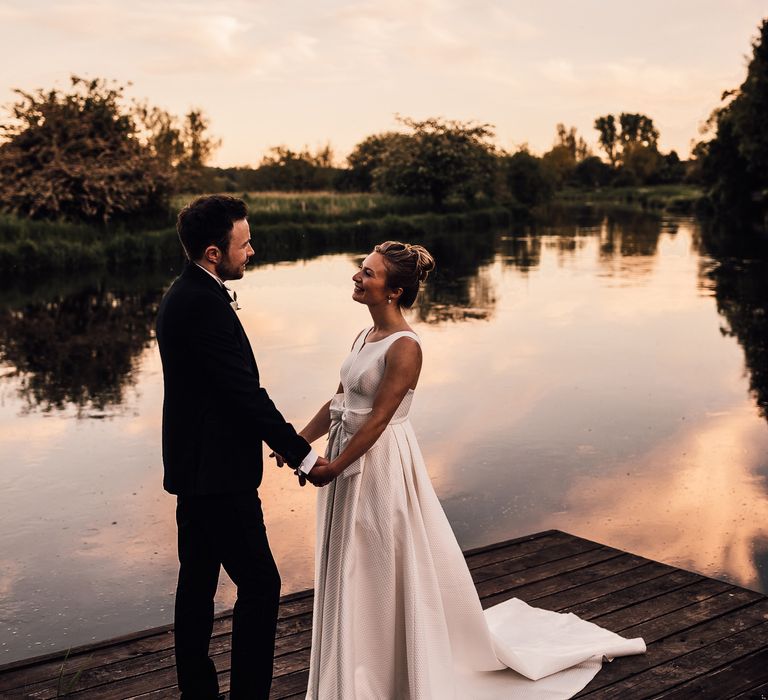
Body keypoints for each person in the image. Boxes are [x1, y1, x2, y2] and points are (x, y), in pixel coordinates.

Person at [290, 241, 645, 699]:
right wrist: (300, 440)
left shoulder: (406, 348)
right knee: (348, 557)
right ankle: (351, 663)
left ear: (394, 292)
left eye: (368, 274)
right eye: (361, 270)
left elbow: (378, 419)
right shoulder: (362, 338)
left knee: (377, 557)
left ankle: (387, 670)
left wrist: (335, 466)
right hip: (346, 452)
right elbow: (338, 401)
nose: (357, 277)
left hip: (378, 465)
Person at [155, 195, 327, 700]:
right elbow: (242, 394)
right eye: (244, 242)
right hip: (219, 475)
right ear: (213, 252)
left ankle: (198, 693)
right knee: (260, 585)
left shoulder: (185, 293)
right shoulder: (202, 304)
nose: (252, 250)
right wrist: (305, 455)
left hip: (195, 469)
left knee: (198, 584)